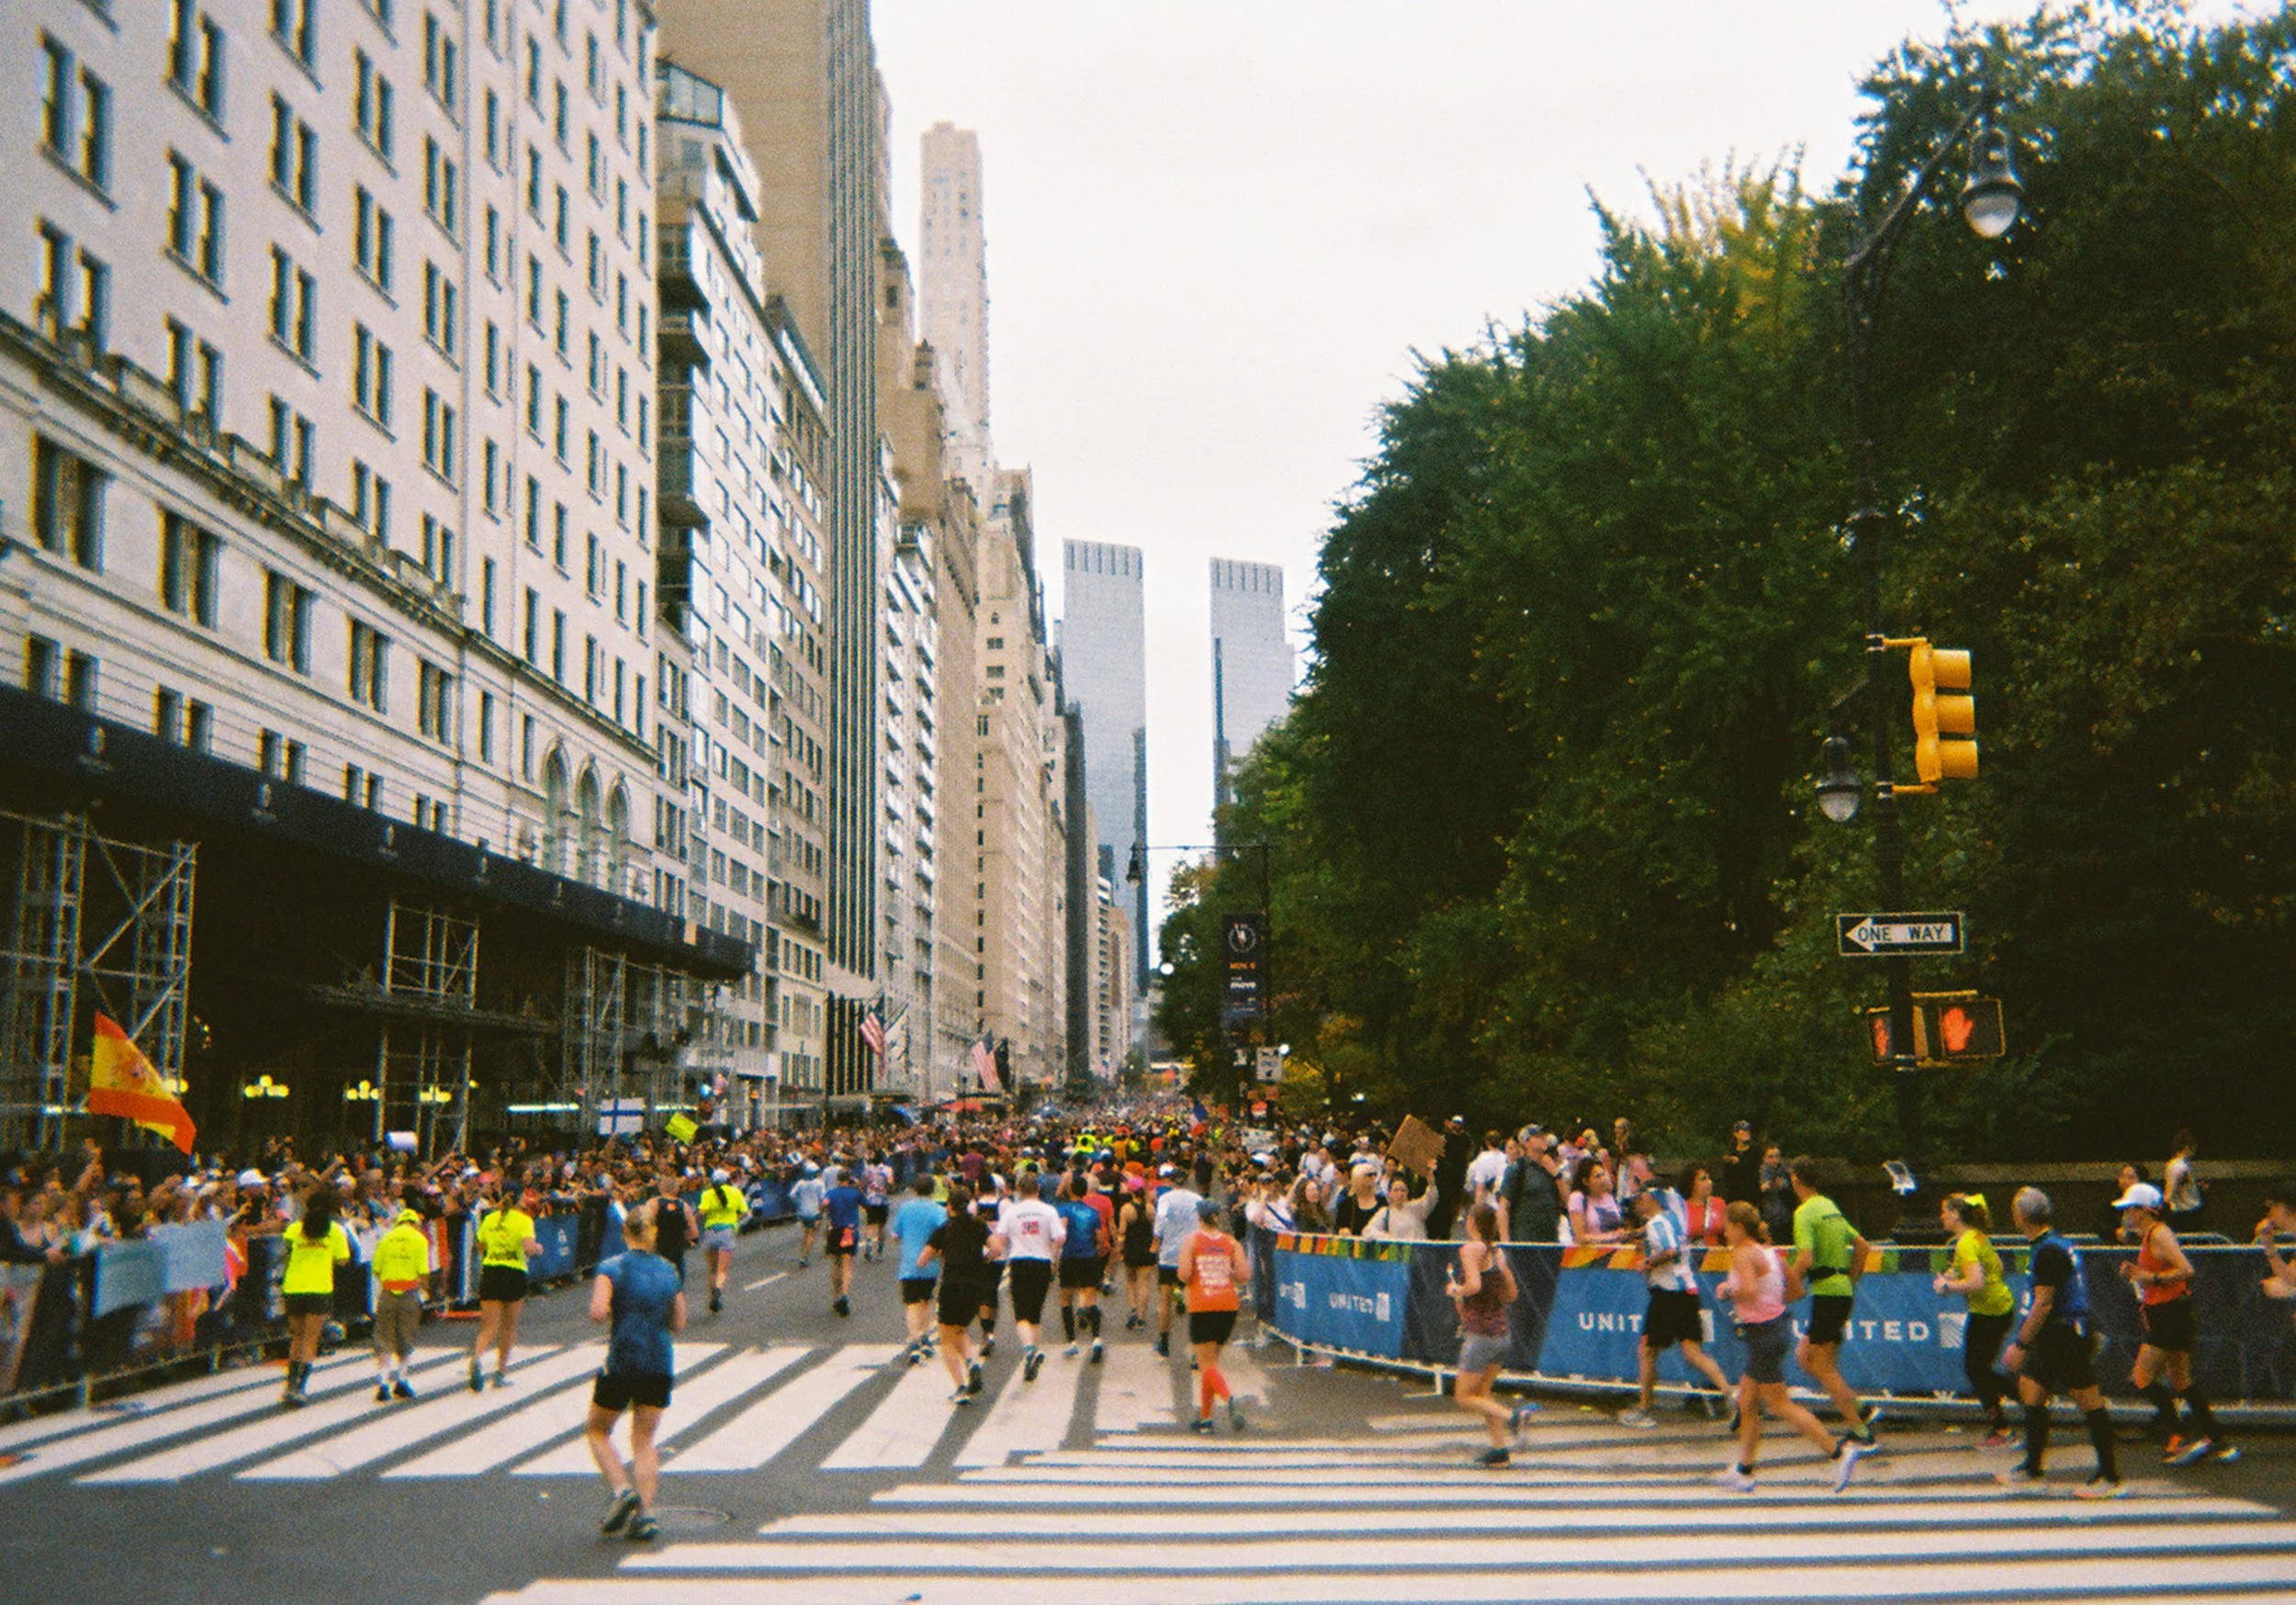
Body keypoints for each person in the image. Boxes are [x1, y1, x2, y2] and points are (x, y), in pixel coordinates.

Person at [1714, 1200, 1871, 1492]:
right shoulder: (1770, 1252)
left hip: (1762, 1335)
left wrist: (1726, 1291)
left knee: (1779, 1404)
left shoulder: (1743, 1254)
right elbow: (1797, 1290)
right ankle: (1744, 1471)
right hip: (1776, 1328)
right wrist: (1771, 1304)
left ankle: (1838, 1453)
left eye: (1726, 1226)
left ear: (1737, 1227)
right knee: (1747, 1402)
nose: (1723, 1232)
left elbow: (1746, 1289)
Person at [1998, 1186, 2124, 1498]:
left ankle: (2111, 1477)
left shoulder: (2048, 1252)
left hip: (2064, 1332)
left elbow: (2044, 1303)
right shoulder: (2051, 1245)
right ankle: (2032, 1468)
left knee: (2089, 1400)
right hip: (2055, 1333)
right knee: (2031, 1389)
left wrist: (2020, 1343)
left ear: (2021, 1216)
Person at [2113, 1180, 2235, 1466]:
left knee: (2142, 1378)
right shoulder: (2149, 1236)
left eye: (2130, 1209)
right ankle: (2215, 1437)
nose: (2127, 1215)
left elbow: (2186, 1270)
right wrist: (2138, 1274)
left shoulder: (2159, 1235)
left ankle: (2178, 1430)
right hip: (2166, 1313)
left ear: (2144, 1210)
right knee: (2181, 1382)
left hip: (2171, 1315)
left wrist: (2149, 1278)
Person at [586, 1200, 687, 1543]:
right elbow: (679, 1321)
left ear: (624, 1231)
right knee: (644, 1440)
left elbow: (598, 1311)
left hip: (624, 1357)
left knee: (598, 1430)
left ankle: (621, 1489)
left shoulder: (611, 1267)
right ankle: (646, 1514)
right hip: (659, 1359)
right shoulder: (669, 1270)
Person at [1621, 1188, 1732, 1427]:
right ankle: (1730, 1394)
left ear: (1652, 1200)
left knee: (1647, 1351)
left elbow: (1670, 1250)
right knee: (1692, 1352)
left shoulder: (1656, 1223)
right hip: (1688, 1291)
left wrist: (1647, 1263)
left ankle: (1644, 1408)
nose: (1638, 1205)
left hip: (1668, 1293)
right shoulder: (1673, 1218)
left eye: (1641, 1200)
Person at [1788, 1157, 1878, 1445]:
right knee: (1806, 1358)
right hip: (1840, 1290)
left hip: (1826, 1292)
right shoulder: (1830, 1206)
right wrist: (1851, 1277)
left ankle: (1860, 1430)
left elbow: (1805, 1258)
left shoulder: (1804, 1212)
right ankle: (1861, 1408)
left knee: (1822, 1366)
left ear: (1794, 1179)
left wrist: (1788, 1284)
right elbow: (1862, 1245)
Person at [1447, 1202, 1529, 1465]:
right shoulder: (1498, 1254)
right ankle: (1499, 1450)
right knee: (1483, 1393)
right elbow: (1512, 1294)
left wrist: (1456, 1290)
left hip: (1480, 1334)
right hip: (1502, 1333)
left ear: (1471, 1221)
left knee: (1463, 1396)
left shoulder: (1471, 1249)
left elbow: (1473, 1284)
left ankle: (1513, 1417)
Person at [1931, 1193, 2015, 1448]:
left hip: (1988, 1312)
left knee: (1976, 1370)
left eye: (1945, 1211)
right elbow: (1998, 1267)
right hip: (1999, 1307)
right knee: (1979, 1369)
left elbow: (1976, 1282)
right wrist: (1955, 1274)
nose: (1942, 1216)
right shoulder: (1976, 1237)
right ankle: (2028, 1396)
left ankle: (2004, 1426)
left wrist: (1947, 1286)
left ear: (1956, 1215)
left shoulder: (1965, 1243)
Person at [1176, 1200, 1250, 1433]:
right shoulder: (1231, 1242)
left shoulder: (1193, 1241)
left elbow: (1184, 1274)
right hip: (1228, 1305)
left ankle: (1229, 1400)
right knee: (1212, 1365)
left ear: (1199, 1218)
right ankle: (1205, 1418)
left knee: (1205, 1364)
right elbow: (1244, 1275)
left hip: (1202, 1304)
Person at [921, 1183, 996, 1406]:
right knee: (960, 1329)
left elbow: (923, 1259)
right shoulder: (979, 1226)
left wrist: (941, 1254)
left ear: (949, 1206)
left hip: (952, 1284)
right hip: (975, 1285)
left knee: (946, 1339)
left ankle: (961, 1387)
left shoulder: (944, 1229)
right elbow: (997, 1249)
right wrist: (985, 1258)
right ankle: (972, 1363)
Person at [278, 1185, 350, 1408]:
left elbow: (286, 1253)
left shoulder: (295, 1229)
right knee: (310, 1340)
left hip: (294, 1286)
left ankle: (289, 1383)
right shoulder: (335, 1231)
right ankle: (300, 1386)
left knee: (297, 1337)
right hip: (319, 1287)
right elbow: (343, 1260)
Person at [470, 1179, 542, 1392]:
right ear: (520, 1197)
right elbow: (529, 1248)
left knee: (488, 1326)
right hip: (513, 1271)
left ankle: (477, 1357)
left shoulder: (490, 1218)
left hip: (491, 1270)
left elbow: (480, 1245)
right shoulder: (523, 1220)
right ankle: (500, 1372)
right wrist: (538, 1248)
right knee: (509, 1326)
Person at [1001, 1172, 1067, 1380]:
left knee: (1021, 1312)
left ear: (1019, 1190)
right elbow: (1060, 1237)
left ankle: (1029, 1350)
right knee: (1036, 1311)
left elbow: (1001, 1238)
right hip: (1042, 1262)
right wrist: (1053, 1253)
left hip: (1019, 1261)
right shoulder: (1048, 1211)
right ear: (1038, 1189)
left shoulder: (1012, 1212)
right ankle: (1035, 1350)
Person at [370, 1205, 432, 1403]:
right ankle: (402, 1379)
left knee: (384, 1338)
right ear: (415, 1223)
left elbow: (376, 1268)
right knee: (406, 1336)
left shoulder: (386, 1238)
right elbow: (423, 1271)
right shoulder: (419, 1239)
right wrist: (424, 1292)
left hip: (388, 1290)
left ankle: (383, 1382)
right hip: (409, 1291)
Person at [890, 1173, 948, 1366]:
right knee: (926, 1301)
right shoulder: (938, 1210)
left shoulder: (905, 1209)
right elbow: (944, 1232)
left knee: (912, 1304)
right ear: (932, 1190)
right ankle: (925, 1337)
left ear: (914, 1189)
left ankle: (915, 1341)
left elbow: (895, 1234)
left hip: (909, 1263)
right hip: (931, 1263)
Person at [1054, 1173, 1109, 1363]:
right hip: (1088, 1257)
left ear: (1070, 1190)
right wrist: (1098, 1249)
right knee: (1090, 1297)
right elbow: (1100, 1237)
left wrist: (1055, 1254)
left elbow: (1061, 1232)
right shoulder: (1092, 1212)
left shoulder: (1064, 1210)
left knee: (1066, 1299)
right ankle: (1096, 1339)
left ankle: (1072, 1341)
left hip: (1070, 1257)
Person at [1151, 1169, 1204, 1358]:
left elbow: (1160, 1222)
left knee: (1164, 1300)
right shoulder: (1197, 1199)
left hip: (1169, 1255)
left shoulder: (1165, 1199)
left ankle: (1164, 1343)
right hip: (1190, 1255)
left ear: (1171, 1181)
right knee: (1194, 1301)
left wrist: (1155, 1244)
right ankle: (1196, 1346)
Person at [696, 1168, 748, 1316]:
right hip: (727, 1232)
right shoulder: (735, 1192)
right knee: (722, 1270)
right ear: (728, 1180)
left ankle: (712, 1296)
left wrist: (692, 1224)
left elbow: (702, 1212)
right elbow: (744, 1212)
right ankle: (718, 1289)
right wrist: (734, 1222)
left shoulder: (707, 1194)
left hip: (710, 1231)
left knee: (712, 1269)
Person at [1503, 1130, 1563, 1244]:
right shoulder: (1518, 1169)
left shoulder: (1551, 1167)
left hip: (1550, 1236)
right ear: (1526, 1143)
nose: (1543, 1138)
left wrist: (1557, 1175)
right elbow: (1504, 1206)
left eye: (1543, 1135)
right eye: (1537, 1136)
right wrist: (1505, 1242)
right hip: (1525, 1238)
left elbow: (1567, 1200)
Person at [822, 1164, 864, 1319]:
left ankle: (836, 1295)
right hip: (849, 1231)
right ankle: (845, 1294)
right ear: (849, 1179)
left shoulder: (831, 1193)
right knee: (847, 1263)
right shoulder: (855, 1193)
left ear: (838, 1180)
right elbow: (865, 1204)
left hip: (835, 1230)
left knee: (835, 1263)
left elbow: (824, 1205)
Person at [1118, 1177, 1158, 1330]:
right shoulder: (1150, 1208)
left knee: (1131, 1282)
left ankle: (1133, 1308)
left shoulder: (1126, 1209)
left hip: (1131, 1248)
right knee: (1144, 1284)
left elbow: (1122, 1232)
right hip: (1146, 1249)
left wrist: (1120, 1249)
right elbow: (1155, 1229)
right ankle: (1141, 1316)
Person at [1565, 1159, 1626, 1247]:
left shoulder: (1609, 1197)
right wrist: (1610, 1237)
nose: (1602, 1180)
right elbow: (1580, 1237)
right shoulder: (1578, 1198)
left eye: (1603, 1175)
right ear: (1585, 1181)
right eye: (1597, 1177)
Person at [1362, 1174, 1434, 1241]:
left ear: (1407, 1193)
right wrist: (1388, 1237)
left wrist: (1431, 1183)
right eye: (1396, 1190)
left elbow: (1431, 1198)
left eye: (1403, 1190)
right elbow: (1368, 1231)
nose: (1400, 1194)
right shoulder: (1385, 1212)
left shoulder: (1416, 1208)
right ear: (1389, 1193)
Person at [2163, 1130, 2206, 1236]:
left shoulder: (2182, 1165)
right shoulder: (2179, 1166)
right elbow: (2171, 1190)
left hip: (2188, 1210)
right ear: (2186, 1148)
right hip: (2185, 1211)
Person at [1679, 1162, 1728, 1248]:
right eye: (1703, 1179)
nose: (1709, 1182)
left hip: (1716, 1255)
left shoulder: (1719, 1204)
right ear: (1691, 1184)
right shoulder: (1681, 1208)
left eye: (1709, 1178)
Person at [790, 1162, 826, 1267]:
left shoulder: (800, 1183)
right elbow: (822, 1198)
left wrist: (799, 1203)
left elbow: (792, 1195)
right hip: (814, 1211)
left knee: (805, 1233)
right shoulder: (819, 1183)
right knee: (811, 1234)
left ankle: (802, 1254)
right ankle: (804, 1257)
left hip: (802, 1212)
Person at [1720, 1121, 1762, 1207]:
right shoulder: (1731, 1152)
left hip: (1750, 1195)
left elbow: (1754, 1170)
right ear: (1736, 1134)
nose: (1747, 1132)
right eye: (1743, 1130)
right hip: (1734, 1195)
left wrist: (1739, 1163)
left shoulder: (1755, 1151)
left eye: (1748, 1130)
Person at [861, 1154, 894, 1263]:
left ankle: (868, 1247)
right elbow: (890, 1184)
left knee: (870, 1225)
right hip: (883, 1201)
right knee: (881, 1226)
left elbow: (863, 1183)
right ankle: (879, 1251)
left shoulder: (867, 1169)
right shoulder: (887, 1170)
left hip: (870, 1200)